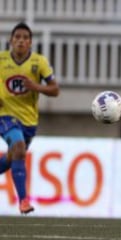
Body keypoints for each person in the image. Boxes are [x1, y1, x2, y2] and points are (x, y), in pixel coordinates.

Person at [0, 22, 60, 214]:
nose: (21, 41)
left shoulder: (39, 62)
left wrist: (36, 87)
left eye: (25, 38)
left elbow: (55, 89)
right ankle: (24, 200)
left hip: (29, 122)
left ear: (30, 43)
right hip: (5, 115)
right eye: (17, 37)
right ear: (11, 40)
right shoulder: (1, 60)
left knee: (12, 159)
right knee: (18, 147)